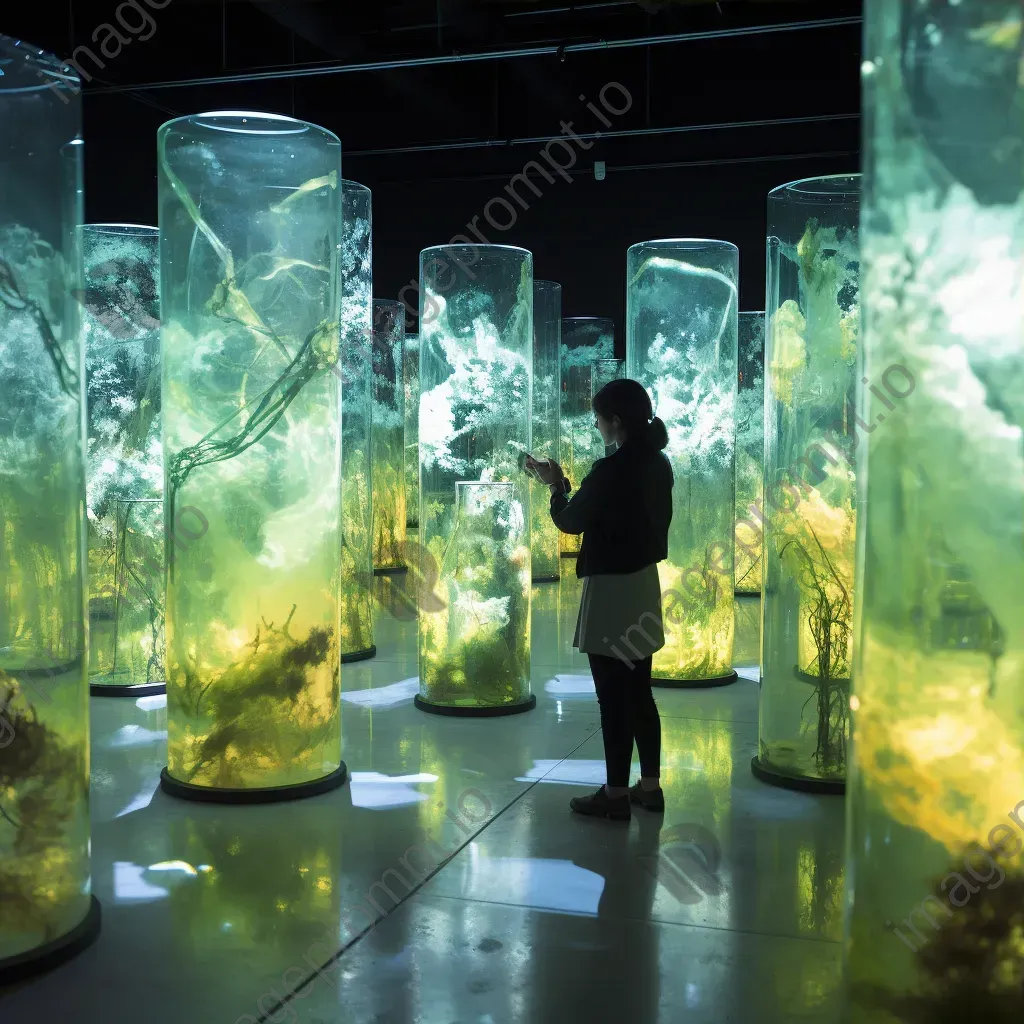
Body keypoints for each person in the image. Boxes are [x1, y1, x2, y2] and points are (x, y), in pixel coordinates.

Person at [526, 377, 673, 822]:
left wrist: (555, 485)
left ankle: (614, 796)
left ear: (615, 421)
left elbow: (571, 521)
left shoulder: (610, 470)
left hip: (611, 590)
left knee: (612, 697)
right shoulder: (659, 464)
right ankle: (649, 786)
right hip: (645, 585)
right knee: (641, 692)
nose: (595, 425)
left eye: (598, 418)